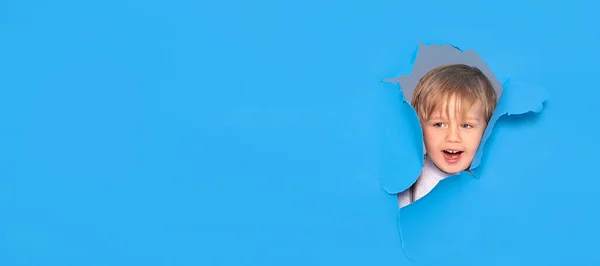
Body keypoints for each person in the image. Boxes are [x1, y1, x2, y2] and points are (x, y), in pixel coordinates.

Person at [398, 64, 498, 208]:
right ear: (419, 127)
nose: (452, 137)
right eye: (439, 124)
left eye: (466, 125)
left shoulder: (492, 183)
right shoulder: (405, 183)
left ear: (486, 129)